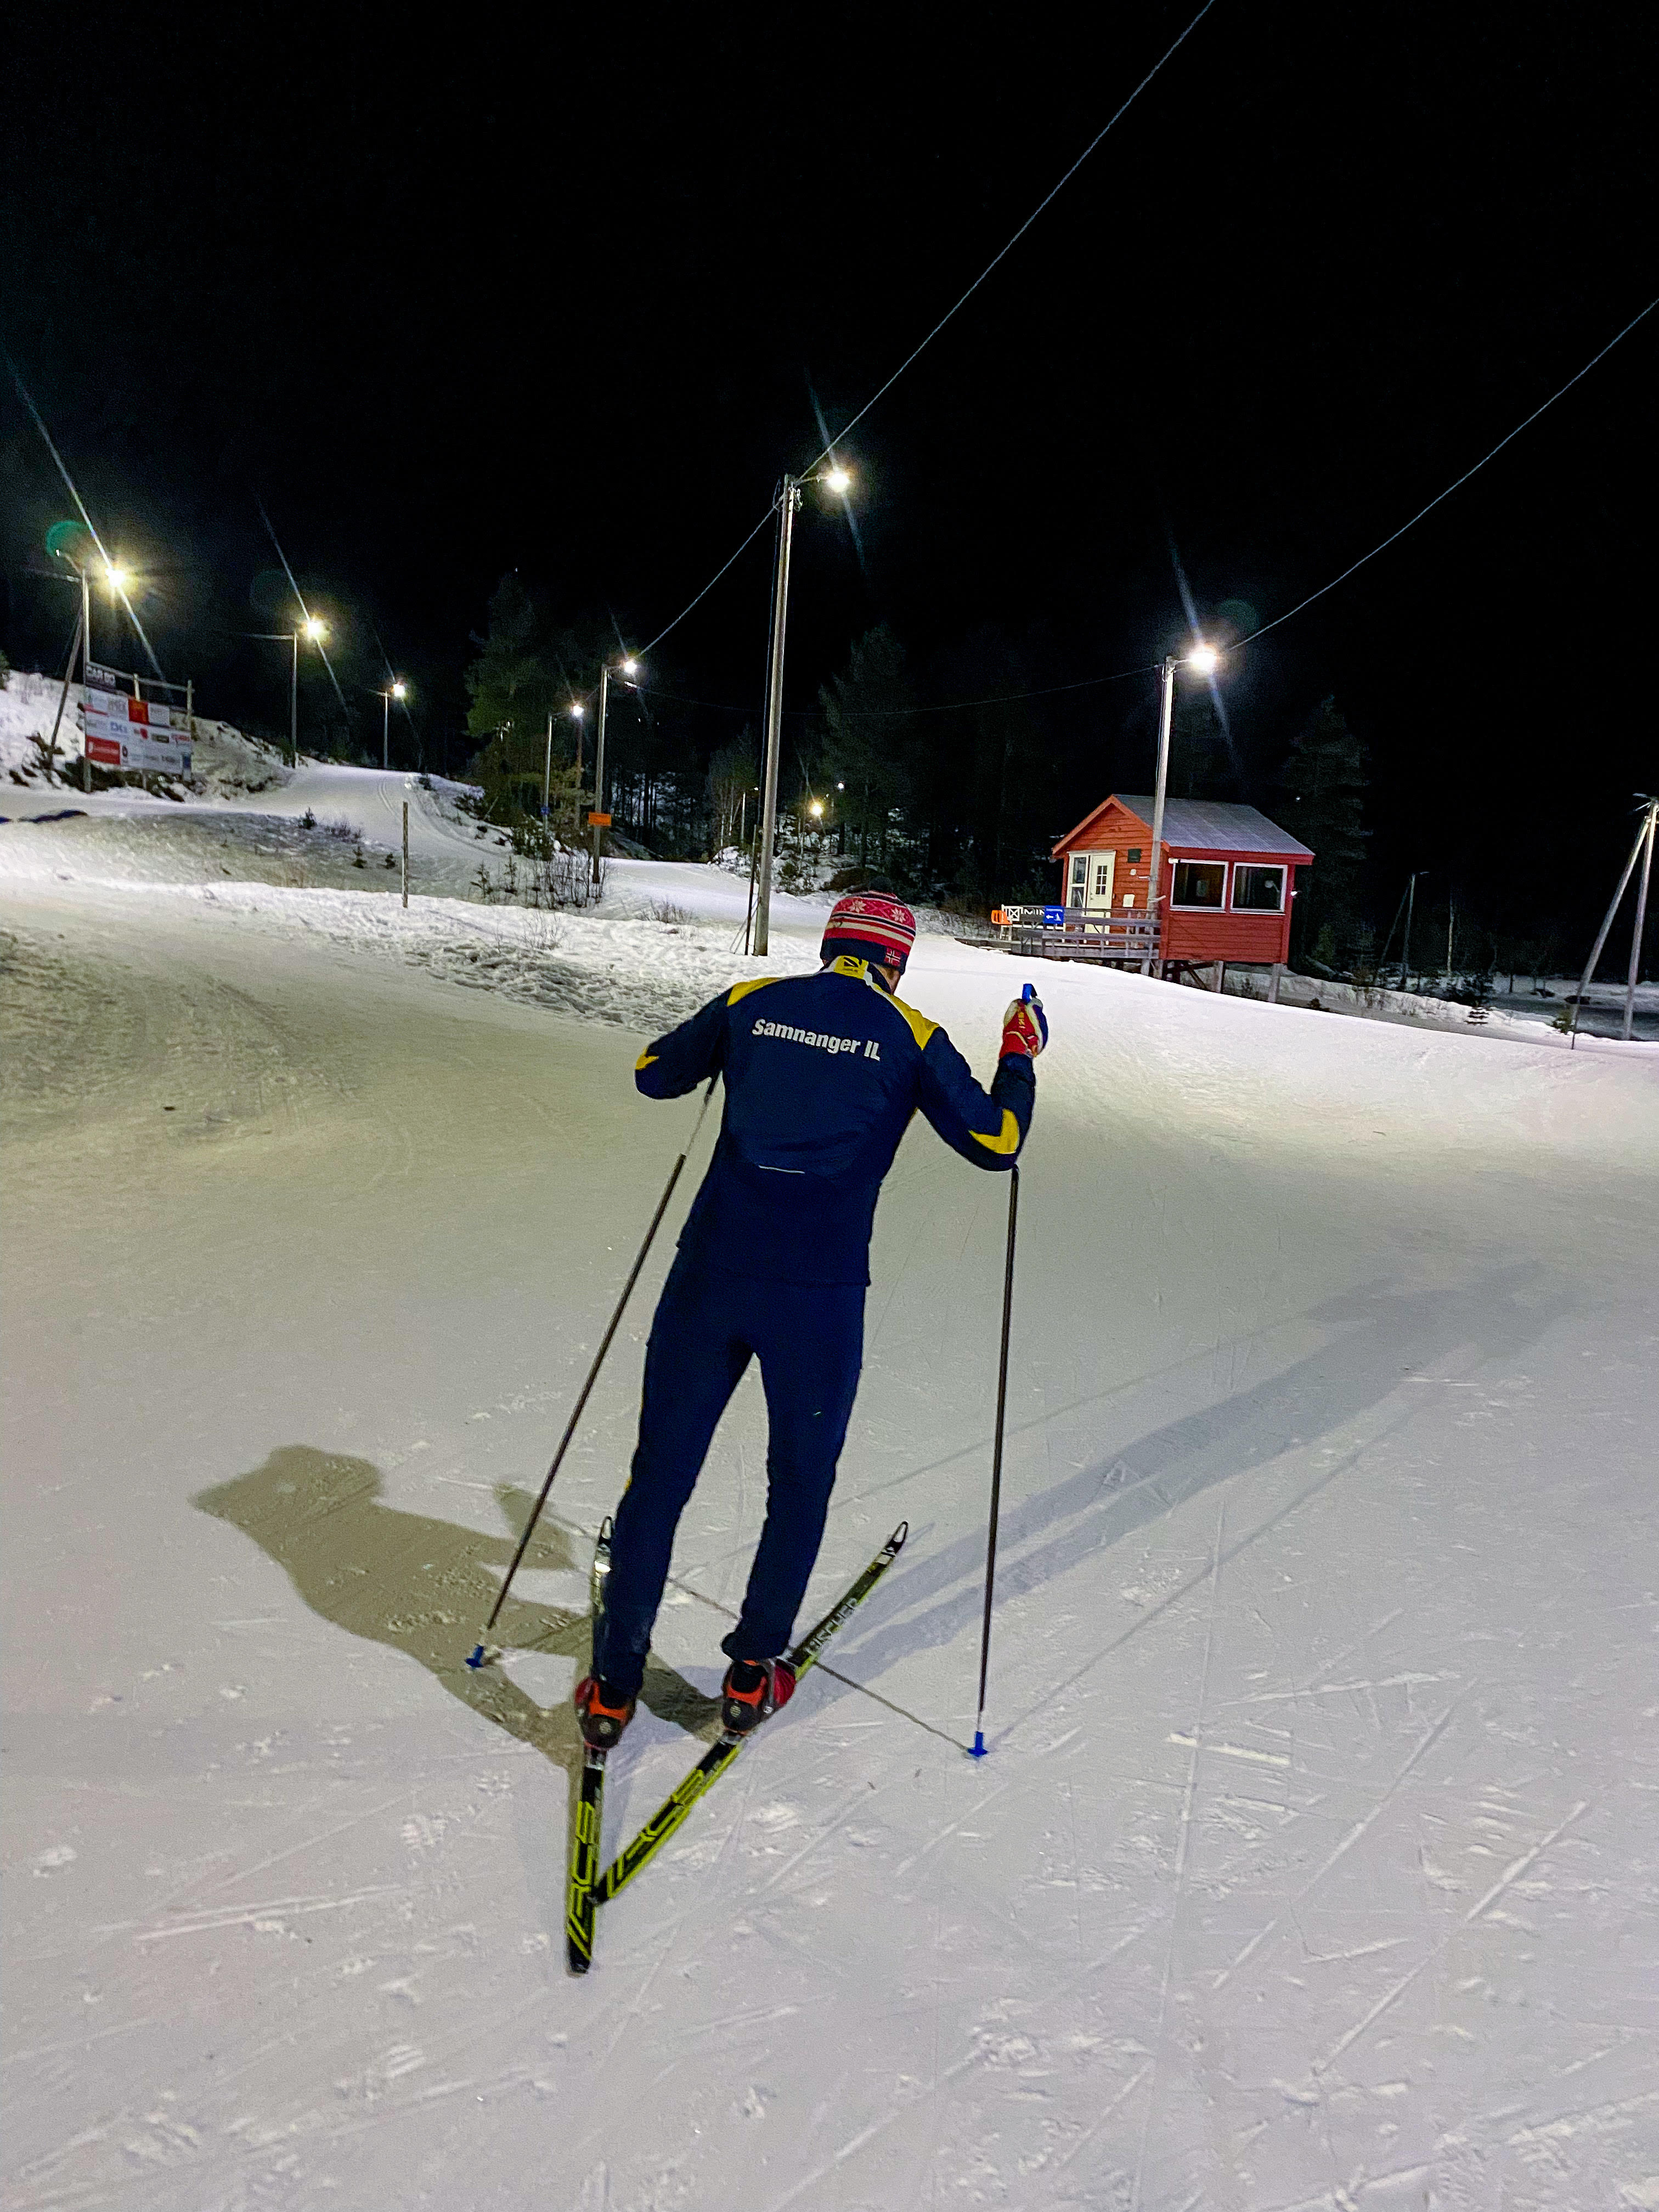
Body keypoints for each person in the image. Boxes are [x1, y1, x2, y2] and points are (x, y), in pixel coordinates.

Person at [574, 891, 1047, 1747]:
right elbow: (998, 1142)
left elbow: (652, 1071)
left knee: (662, 1476)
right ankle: (753, 1671)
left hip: (710, 1278)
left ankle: (612, 1684)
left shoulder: (753, 1001)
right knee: (799, 1483)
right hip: (818, 1300)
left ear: (831, 944)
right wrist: (1018, 1054)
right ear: (897, 961)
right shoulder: (911, 1034)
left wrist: (735, 1053)